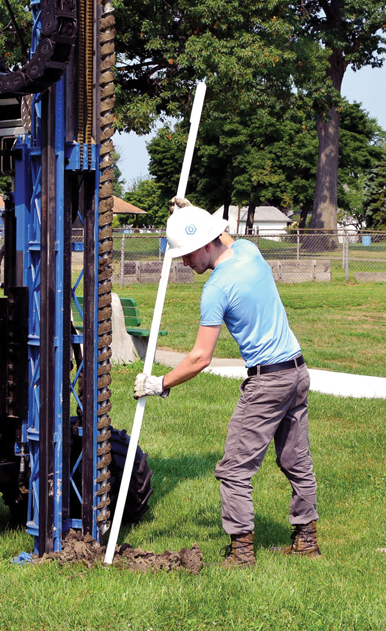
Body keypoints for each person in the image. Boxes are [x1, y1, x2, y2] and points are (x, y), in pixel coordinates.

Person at [134, 205, 319, 568]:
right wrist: (193, 213)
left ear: (204, 245)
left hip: (268, 383)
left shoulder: (216, 288)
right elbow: (225, 237)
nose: (184, 263)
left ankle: (242, 553)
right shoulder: (249, 251)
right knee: (296, 460)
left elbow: (201, 357)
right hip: (297, 372)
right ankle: (307, 540)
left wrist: (160, 383)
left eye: (186, 254)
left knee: (234, 469)